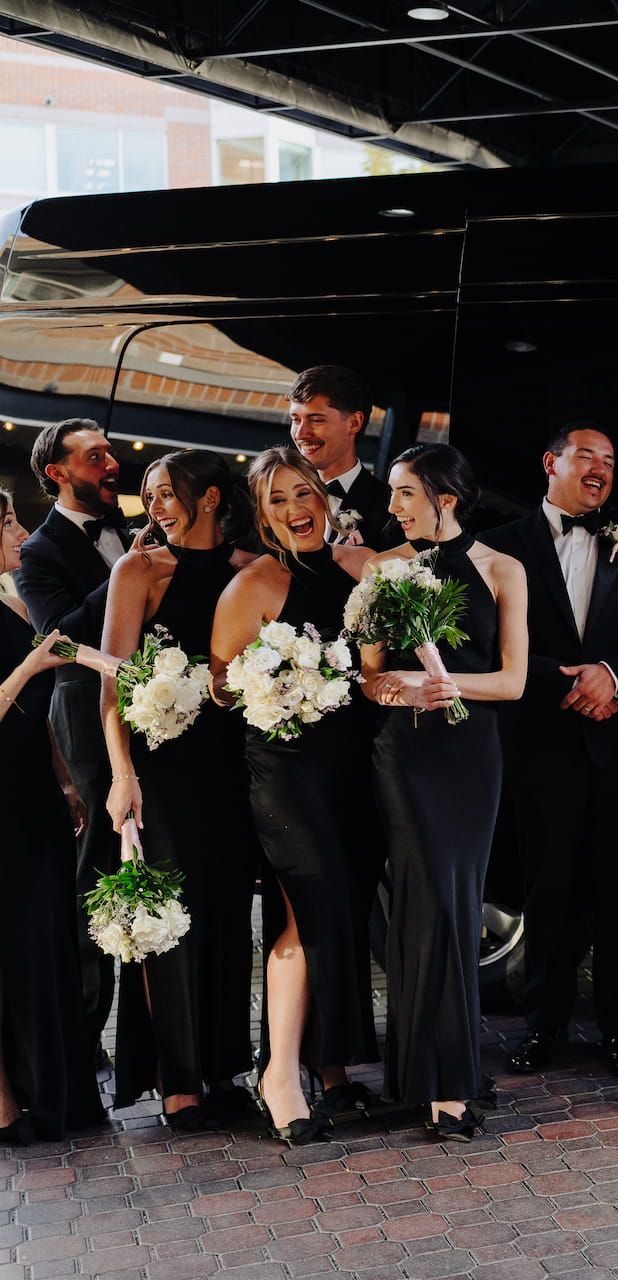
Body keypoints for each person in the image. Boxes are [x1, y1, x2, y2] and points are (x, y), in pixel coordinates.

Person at [209, 447, 381, 1145]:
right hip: (284, 770)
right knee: (306, 913)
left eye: (302, 494)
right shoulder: (253, 583)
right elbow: (220, 684)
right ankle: (278, 1074)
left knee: (342, 913)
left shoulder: (361, 570)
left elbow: (377, 663)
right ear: (262, 514)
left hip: (358, 770)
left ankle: (330, 1067)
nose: (293, 510)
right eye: (276, 501)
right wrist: (274, 689)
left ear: (324, 497)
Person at [361, 443, 527, 1141]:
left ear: (445, 499)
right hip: (405, 754)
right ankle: (437, 1083)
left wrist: (450, 685)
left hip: (470, 755)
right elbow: (367, 674)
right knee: (421, 904)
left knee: (458, 908)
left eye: (404, 493)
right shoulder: (381, 570)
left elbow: (514, 680)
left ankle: (444, 1072)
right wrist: (397, 690)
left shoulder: (503, 570)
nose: (392, 506)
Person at [484, 425, 618, 1080]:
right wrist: (564, 678)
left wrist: (613, 675)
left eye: (610, 461)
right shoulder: (501, 546)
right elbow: (487, 643)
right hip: (543, 743)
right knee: (547, 891)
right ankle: (541, 1028)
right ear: (550, 461)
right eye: (586, 456)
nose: (600, 469)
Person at [99, 450, 259, 1129]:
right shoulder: (137, 570)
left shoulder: (251, 571)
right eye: (147, 495)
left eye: (167, 493)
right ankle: (178, 1080)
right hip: (161, 771)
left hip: (234, 768)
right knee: (168, 922)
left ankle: (224, 1068)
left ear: (213, 497)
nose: (154, 507)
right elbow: (111, 681)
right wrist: (121, 774)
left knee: (226, 918)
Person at [15, 419, 130, 1046]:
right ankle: (83, 1036)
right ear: (57, 473)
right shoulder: (39, 552)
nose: (110, 463)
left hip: (163, 715)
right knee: (98, 873)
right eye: (94, 457)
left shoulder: (135, 531)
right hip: (87, 724)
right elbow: (58, 638)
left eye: (109, 452)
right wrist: (127, 575)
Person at [0, 485, 104, 1144]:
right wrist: (28, 667)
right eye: (8, 519)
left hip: (33, 796)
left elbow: (47, 697)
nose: (18, 529)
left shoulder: (9, 604)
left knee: (43, 947)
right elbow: (20, 686)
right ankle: (6, 1104)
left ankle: (55, 1093)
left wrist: (67, 781)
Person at [289, 365, 402, 550]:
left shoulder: (390, 509)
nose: (301, 433)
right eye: (295, 419)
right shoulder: (274, 496)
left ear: (354, 423)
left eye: (317, 420)